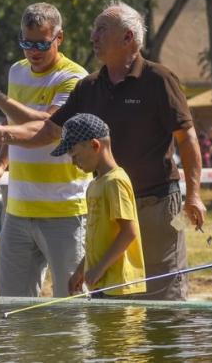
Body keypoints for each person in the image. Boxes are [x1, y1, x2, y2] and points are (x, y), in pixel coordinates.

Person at [0, 0, 206, 301]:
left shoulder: (159, 80)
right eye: (94, 30)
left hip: (153, 204)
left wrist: (194, 195)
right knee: (110, 298)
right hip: (105, 205)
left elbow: (187, 139)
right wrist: (4, 135)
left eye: (101, 30)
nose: (93, 37)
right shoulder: (90, 87)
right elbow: (49, 130)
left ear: (128, 37)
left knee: (162, 298)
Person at [0, 2, 90, 297]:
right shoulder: (17, 72)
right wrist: (0, 165)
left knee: (70, 305)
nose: (33, 51)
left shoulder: (75, 78)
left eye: (41, 44)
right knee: (12, 305)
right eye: (25, 43)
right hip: (18, 211)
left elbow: (48, 129)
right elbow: (14, 122)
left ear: (59, 38)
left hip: (64, 212)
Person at [55, 114, 145, 298]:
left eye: (75, 154)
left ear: (95, 145)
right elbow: (96, 239)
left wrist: (99, 269)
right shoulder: (94, 185)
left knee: (117, 328)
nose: (73, 162)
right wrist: (82, 270)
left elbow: (129, 232)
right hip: (101, 283)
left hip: (119, 286)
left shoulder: (115, 182)